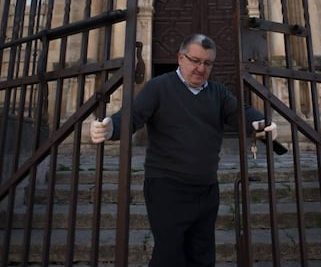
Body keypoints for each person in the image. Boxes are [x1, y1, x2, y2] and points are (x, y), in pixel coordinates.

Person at [90, 34, 278, 267]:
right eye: (195, 60)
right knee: (169, 256)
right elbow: (132, 116)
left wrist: (261, 123)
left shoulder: (218, 93)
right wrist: (111, 128)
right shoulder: (159, 87)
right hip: (167, 187)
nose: (201, 68)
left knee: (202, 255)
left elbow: (241, 112)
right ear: (180, 58)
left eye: (207, 63)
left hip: (206, 189)